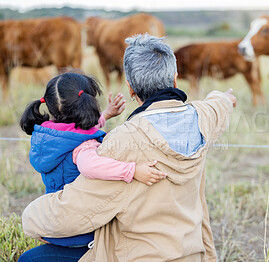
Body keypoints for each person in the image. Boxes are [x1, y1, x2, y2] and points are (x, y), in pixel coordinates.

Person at [21, 34, 236, 261]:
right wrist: (225, 98)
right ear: (175, 80)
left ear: (131, 88)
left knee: (30, 259)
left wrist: (30, 218)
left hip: (136, 256)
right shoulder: (203, 117)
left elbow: (73, 211)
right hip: (193, 254)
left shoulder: (121, 141)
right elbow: (218, 104)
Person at [19, 72, 165, 261]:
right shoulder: (83, 147)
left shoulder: (47, 135)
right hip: (80, 229)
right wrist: (133, 170)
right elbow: (91, 166)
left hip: (54, 219)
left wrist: (106, 115)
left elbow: (75, 129)